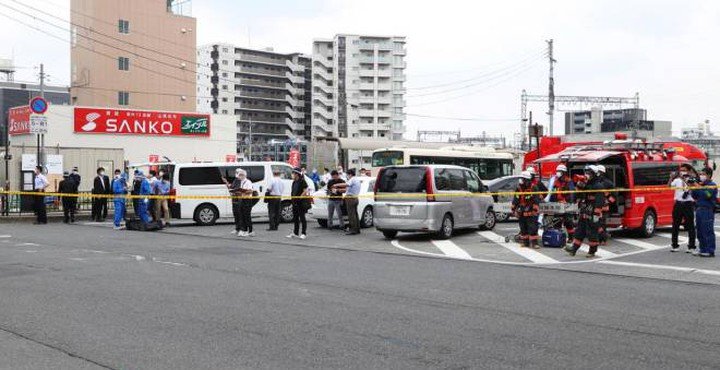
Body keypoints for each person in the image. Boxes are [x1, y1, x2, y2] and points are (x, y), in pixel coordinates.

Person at [565, 166, 606, 258]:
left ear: (594, 174)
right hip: (584, 212)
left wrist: (596, 215)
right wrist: (579, 186)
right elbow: (576, 197)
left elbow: (600, 202)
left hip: (593, 214)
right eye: (586, 172)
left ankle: (592, 251)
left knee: (592, 234)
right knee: (579, 232)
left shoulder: (598, 186)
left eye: (589, 173)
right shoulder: (585, 185)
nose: (587, 175)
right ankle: (574, 249)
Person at [670, 164, 696, 253]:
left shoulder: (692, 180)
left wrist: (689, 181)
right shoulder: (677, 180)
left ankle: (691, 246)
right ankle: (674, 245)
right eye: (681, 170)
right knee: (675, 225)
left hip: (688, 204)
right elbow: (669, 186)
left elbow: (695, 189)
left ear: (688, 171)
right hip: (678, 204)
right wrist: (671, 178)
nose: (682, 172)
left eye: (684, 170)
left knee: (690, 226)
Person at [512, 171, 542, 249]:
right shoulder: (519, 188)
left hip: (530, 210)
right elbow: (516, 198)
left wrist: (535, 209)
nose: (521, 180)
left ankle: (534, 243)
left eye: (522, 179)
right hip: (521, 210)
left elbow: (536, 199)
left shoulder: (533, 187)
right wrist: (513, 208)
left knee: (532, 227)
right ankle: (525, 242)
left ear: (527, 180)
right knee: (523, 227)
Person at [546, 164, 575, 242]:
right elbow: (553, 193)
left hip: (566, 204)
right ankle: (558, 238)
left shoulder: (569, 181)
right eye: (557, 171)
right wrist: (551, 203)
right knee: (556, 221)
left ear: (563, 172)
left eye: (559, 171)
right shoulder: (556, 182)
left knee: (568, 222)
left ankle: (571, 238)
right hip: (557, 204)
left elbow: (572, 194)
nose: (557, 173)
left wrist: (569, 203)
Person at [691, 167, 717, 257]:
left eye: (703, 174)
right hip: (699, 209)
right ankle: (702, 248)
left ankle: (710, 250)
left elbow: (708, 195)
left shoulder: (712, 185)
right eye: (701, 174)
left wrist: (699, 187)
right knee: (700, 231)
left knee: (707, 231)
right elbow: (694, 196)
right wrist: (693, 187)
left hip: (707, 210)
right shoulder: (701, 184)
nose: (701, 176)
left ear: (708, 175)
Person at [227, 169, 255, 237]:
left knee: (247, 216)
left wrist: (242, 192)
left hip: (247, 200)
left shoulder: (248, 182)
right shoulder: (241, 182)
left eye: (240, 175)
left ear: (243, 175)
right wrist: (236, 192)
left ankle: (250, 231)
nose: (238, 176)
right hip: (242, 199)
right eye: (239, 175)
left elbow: (250, 191)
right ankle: (244, 230)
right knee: (242, 215)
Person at [595, 165, 615, 245]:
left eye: (598, 172)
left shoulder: (608, 183)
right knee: (597, 223)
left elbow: (614, 195)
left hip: (604, 208)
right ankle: (601, 239)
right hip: (596, 206)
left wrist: (608, 201)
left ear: (602, 172)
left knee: (602, 224)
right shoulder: (596, 182)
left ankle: (603, 239)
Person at [288, 167, 309, 239]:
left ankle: (303, 233)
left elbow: (305, 190)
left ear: (297, 174)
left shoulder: (302, 181)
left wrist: (300, 197)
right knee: (295, 218)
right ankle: (295, 233)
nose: (292, 175)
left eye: (293, 173)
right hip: (294, 202)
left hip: (301, 202)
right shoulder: (294, 182)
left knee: (302, 218)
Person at [343, 169, 362, 235]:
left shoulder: (352, 179)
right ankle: (357, 229)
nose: (347, 176)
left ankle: (353, 230)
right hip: (355, 198)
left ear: (350, 174)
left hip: (350, 199)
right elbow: (347, 189)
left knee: (351, 215)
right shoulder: (357, 180)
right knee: (355, 214)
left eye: (347, 175)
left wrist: (336, 185)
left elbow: (345, 185)